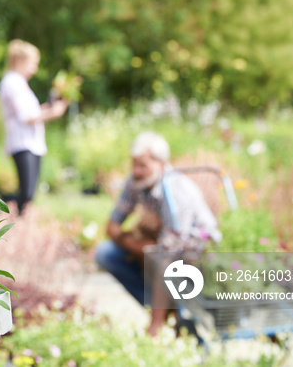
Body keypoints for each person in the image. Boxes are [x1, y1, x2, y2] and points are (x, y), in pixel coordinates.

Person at [94, 132, 221, 336]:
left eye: (143, 166)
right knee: (106, 253)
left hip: (196, 248)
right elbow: (111, 226)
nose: (136, 171)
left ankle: (156, 326)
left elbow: (169, 251)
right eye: (134, 164)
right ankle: (165, 311)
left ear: (161, 164)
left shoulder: (175, 190)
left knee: (162, 262)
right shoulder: (136, 182)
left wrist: (144, 247)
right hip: (163, 243)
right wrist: (138, 246)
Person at [0, 39, 68, 215]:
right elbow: (27, 116)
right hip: (22, 142)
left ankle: (8, 208)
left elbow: (33, 111)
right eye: (33, 63)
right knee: (27, 192)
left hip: (30, 142)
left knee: (28, 192)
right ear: (19, 61)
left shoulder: (19, 83)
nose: (35, 68)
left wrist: (51, 107)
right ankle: (1, 204)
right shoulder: (12, 82)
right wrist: (54, 112)